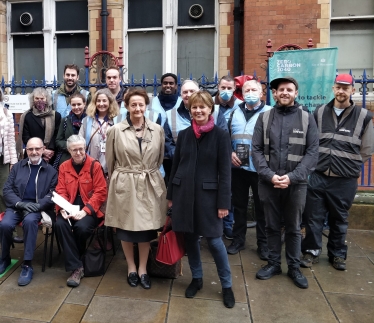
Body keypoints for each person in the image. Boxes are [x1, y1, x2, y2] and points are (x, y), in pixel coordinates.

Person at [167, 91, 235, 308]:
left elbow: (225, 172)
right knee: (190, 239)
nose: (198, 111)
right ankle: (197, 279)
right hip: (184, 194)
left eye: (202, 107)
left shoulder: (221, 136)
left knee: (215, 241)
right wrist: (171, 196)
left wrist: (224, 203)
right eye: (194, 107)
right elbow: (176, 165)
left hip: (209, 198)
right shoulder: (186, 135)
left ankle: (226, 285)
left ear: (210, 109)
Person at [301, 74, 374, 271]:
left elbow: (367, 149)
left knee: (339, 218)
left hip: (345, 179)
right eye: (338, 87)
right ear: (333, 89)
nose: (341, 91)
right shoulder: (320, 111)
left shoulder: (364, 116)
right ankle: (311, 251)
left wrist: (349, 165)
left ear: (353, 90)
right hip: (318, 175)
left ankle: (337, 254)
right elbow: (311, 141)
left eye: (345, 88)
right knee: (313, 217)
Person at [252, 77, 319, 289]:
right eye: (281, 89)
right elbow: (256, 150)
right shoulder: (263, 118)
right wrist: (270, 175)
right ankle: (273, 264)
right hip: (268, 182)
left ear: (296, 93)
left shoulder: (307, 118)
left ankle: (294, 267)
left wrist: (292, 177)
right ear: (275, 93)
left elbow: (312, 152)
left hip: (296, 185)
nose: (285, 92)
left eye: (289, 89)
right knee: (271, 226)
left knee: (293, 227)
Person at [105, 88, 167, 290]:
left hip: (148, 182)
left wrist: (147, 172)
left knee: (146, 229)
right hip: (125, 183)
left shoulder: (157, 129)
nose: (137, 108)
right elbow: (111, 162)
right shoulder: (115, 130)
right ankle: (131, 267)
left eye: (141, 104)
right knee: (126, 228)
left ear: (146, 106)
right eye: (133, 104)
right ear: (126, 106)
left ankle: (143, 269)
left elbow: (158, 159)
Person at [0, 137, 57, 286]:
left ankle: (27, 264)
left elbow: (53, 193)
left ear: (43, 149)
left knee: (30, 221)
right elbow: (7, 189)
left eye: (37, 148)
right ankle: (5, 257)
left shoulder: (50, 171)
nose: (34, 152)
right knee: (5, 225)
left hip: (35, 207)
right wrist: (19, 203)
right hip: (17, 205)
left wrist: (39, 206)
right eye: (30, 149)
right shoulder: (18, 166)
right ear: (26, 150)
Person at [226, 79, 272, 260]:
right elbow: (226, 137)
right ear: (242, 93)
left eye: (254, 90)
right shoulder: (233, 112)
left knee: (262, 208)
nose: (250, 93)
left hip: (261, 169)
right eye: (247, 90)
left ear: (261, 93)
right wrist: (229, 152)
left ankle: (264, 244)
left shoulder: (270, 113)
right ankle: (238, 240)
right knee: (239, 206)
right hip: (238, 167)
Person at [54, 134, 107, 287]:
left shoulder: (94, 165)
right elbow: (61, 190)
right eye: (74, 150)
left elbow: (101, 192)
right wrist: (62, 208)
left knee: (81, 227)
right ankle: (78, 266)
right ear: (69, 151)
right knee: (60, 225)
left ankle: (75, 267)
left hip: (89, 208)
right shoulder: (64, 166)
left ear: (85, 149)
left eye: (81, 149)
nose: (78, 153)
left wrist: (85, 211)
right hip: (69, 206)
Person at [164, 80, 228, 159]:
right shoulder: (170, 114)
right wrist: (179, 156)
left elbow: (223, 139)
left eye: (192, 91)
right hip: (182, 162)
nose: (189, 95)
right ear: (180, 95)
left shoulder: (216, 111)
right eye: (185, 92)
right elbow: (167, 142)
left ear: (199, 93)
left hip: (210, 162)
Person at [214, 75, 243, 239]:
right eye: (223, 87)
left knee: (228, 192)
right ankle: (214, 224)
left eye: (229, 88)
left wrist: (231, 151)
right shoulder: (209, 103)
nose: (226, 91)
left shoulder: (240, 106)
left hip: (231, 156)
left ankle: (228, 225)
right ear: (218, 87)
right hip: (212, 155)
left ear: (234, 89)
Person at [16, 88, 62, 164]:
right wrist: (42, 151)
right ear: (32, 100)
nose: (39, 101)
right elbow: (26, 137)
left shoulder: (55, 115)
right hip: (32, 154)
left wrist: (49, 150)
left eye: (42, 98)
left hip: (51, 155)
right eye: (37, 98)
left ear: (46, 99)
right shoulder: (27, 116)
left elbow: (57, 135)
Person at [79, 88, 119, 174]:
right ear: (94, 103)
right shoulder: (87, 121)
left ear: (110, 102)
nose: (101, 104)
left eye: (104, 101)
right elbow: (80, 141)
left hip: (111, 166)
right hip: (90, 165)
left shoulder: (117, 121)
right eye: (98, 101)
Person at [54, 93, 87, 167]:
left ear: (84, 104)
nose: (76, 107)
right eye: (73, 105)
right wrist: (72, 147)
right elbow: (58, 141)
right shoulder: (65, 120)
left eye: (79, 104)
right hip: (68, 158)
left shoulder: (90, 120)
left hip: (86, 157)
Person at [0, 88, 17, 212]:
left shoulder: (6, 113)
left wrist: (13, 161)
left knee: (3, 191)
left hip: (3, 159)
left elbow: (11, 139)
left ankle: (6, 227)